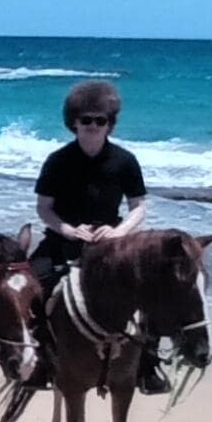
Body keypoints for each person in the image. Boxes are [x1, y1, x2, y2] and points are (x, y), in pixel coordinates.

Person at [29, 77, 164, 392]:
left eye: (99, 120)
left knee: (154, 291)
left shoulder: (125, 161)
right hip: (62, 242)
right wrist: (67, 229)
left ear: (110, 124)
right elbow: (43, 208)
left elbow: (139, 206)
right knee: (30, 289)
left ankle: (148, 366)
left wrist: (118, 232)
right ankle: (41, 361)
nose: (92, 126)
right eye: (85, 120)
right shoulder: (58, 161)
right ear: (73, 123)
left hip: (112, 245)